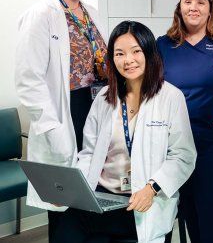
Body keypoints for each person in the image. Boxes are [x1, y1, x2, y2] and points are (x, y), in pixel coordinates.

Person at [55, 21, 196, 242]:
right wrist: (73, 191)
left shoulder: (170, 97)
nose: (128, 60)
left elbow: (183, 156)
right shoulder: (104, 98)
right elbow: (89, 154)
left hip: (143, 200)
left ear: (149, 53)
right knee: (64, 233)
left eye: (136, 51)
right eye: (119, 54)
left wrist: (151, 189)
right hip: (103, 198)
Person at [14, 0, 108, 241]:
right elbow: (29, 81)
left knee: (94, 205)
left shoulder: (91, 12)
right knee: (66, 211)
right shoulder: (41, 15)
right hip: (63, 114)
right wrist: (55, 132)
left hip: (94, 111)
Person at [157, 0, 213, 243]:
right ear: (179, 7)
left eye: (201, 2)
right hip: (175, 143)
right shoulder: (163, 45)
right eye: (187, 1)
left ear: (210, 8)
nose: (194, 7)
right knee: (186, 210)